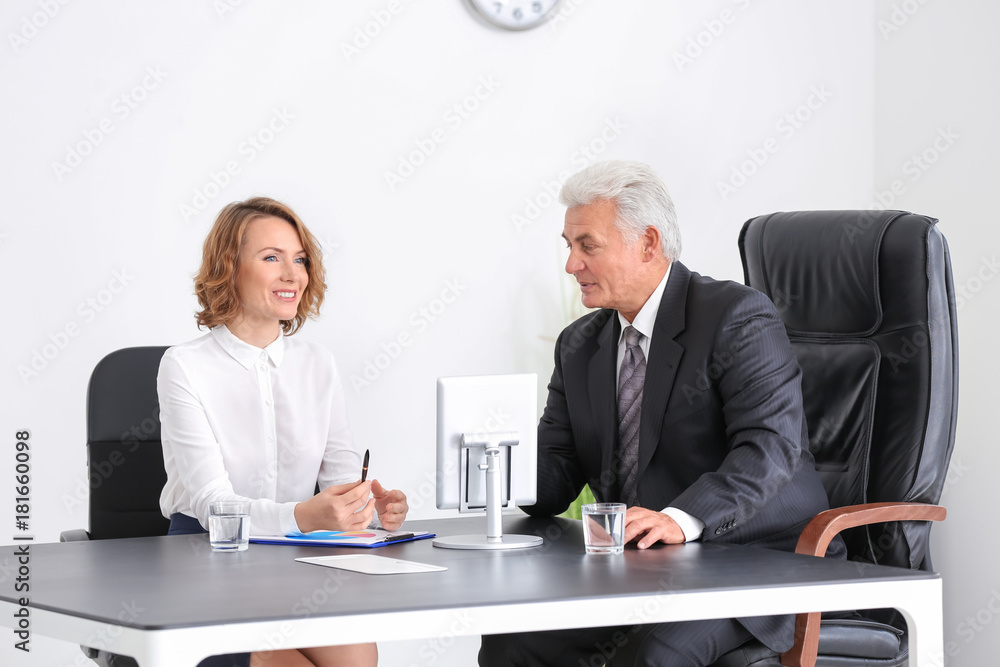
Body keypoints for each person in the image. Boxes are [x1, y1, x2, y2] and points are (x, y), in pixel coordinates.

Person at [479, 161, 844, 667]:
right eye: (568, 245)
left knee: (654, 654)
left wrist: (680, 518)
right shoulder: (580, 345)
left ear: (647, 244)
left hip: (755, 559)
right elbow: (558, 471)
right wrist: (491, 467)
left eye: (587, 245)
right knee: (513, 640)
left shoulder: (737, 317)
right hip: (643, 565)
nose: (571, 265)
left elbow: (769, 448)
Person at [159, 197, 408, 667]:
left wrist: (369, 508)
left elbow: (340, 478)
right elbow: (216, 508)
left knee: (358, 660)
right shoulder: (184, 366)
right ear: (229, 267)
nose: (292, 274)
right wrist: (305, 515)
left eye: (300, 260)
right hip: (208, 557)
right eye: (271, 258)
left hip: (298, 558)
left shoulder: (318, 364)